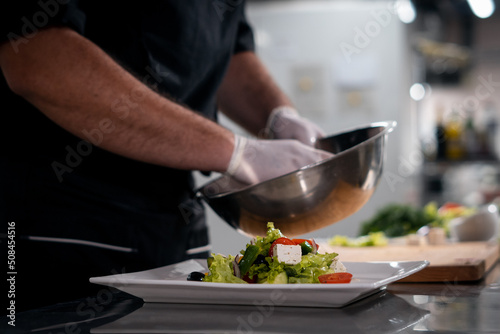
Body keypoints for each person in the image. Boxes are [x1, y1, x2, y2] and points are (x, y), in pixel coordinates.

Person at [0, 1, 331, 311]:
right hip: (64, 224)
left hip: (177, 224)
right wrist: (239, 152)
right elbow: (36, 56)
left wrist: (278, 116)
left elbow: (227, 52)